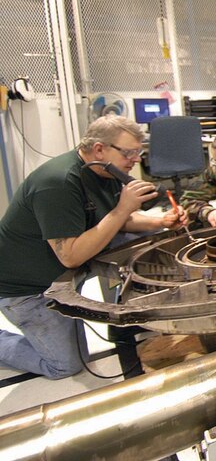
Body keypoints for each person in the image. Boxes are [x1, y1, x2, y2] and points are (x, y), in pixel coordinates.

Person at [0, 115, 188, 379]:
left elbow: (117, 220)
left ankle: (126, 317)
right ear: (100, 148)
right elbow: (70, 256)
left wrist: (161, 221)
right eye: (129, 152)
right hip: (30, 288)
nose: (136, 159)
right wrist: (124, 207)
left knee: (152, 234)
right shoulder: (58, 183)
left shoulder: (105, 170)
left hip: (65, 276)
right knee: (66, 365)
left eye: (139, 151)